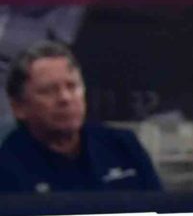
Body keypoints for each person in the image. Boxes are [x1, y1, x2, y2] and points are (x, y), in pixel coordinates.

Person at [0, 40, 161, 194]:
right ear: (18, 107)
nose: (65, 98)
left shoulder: (123, 146)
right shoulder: (6, 167)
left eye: (72, 86)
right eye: (48, 90)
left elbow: (159, 208)